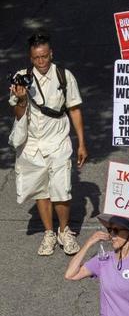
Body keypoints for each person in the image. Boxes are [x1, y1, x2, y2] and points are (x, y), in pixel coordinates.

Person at [10, 31, 86, 256]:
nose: (41, 62)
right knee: (41, 190)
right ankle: (49, 232)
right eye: (36, 58)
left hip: (58, 141)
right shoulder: (21, 77)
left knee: (62, 189)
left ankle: (65, 231)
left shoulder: (64, 76)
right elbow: (18, 112)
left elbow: (74, 109)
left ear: (51, 53)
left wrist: (81, 142)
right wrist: (22, 99)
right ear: (30, 58)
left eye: (44, 56)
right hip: (32, 144)